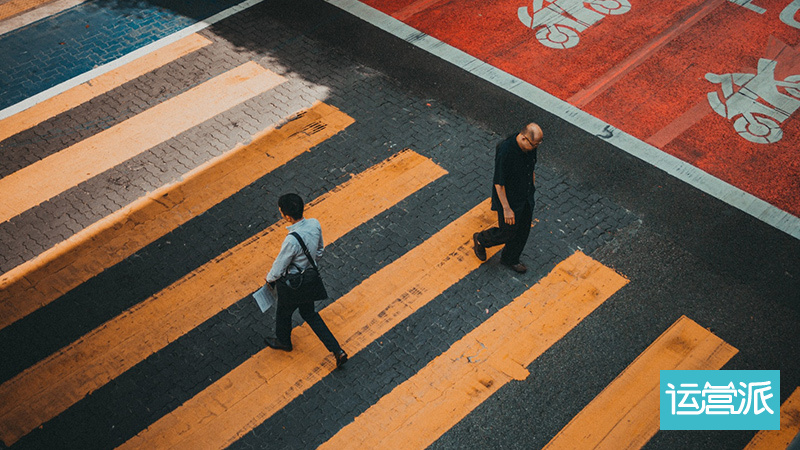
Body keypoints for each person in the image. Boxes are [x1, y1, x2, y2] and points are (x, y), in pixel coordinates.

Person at [264, 193, 348, 368]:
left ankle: (283, 341)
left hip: (293, 285)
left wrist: (269, 279)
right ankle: (337, 350)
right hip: (309, 280)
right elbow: (319, 251)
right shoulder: (315, 224)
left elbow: (280, 266)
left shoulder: (291, 240)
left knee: (284, 312)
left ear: (287, 216)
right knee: (310, 314)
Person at [473, 123, 543, 274]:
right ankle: (481, 239)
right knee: (507, 232)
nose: (536, 147)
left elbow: (531, 169)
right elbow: (499, 184)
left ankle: (510, 259)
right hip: (509, 200)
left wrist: (532, 189)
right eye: (534, 144)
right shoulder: (506, 151)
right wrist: (506, 209)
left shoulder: (530, 148)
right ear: (524, 138)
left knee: (523, 230)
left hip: (525, 197)